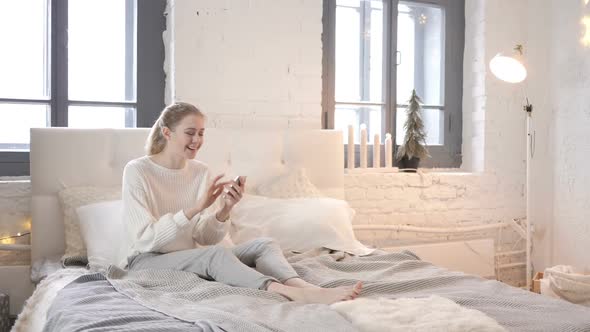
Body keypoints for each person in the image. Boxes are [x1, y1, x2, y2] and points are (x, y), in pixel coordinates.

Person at [121, 102, 362, 304]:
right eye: (190, 132)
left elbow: (204, 238)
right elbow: (145, 238)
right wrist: (196, 207)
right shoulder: (137, 171)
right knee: (214, 256)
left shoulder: (200, 172)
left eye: (202, 133)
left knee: (263, 244)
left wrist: (224, 210)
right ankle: (289, 293)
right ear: (166, 132)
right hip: (147, 261)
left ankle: (303, 286)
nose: (197, 140)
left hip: (190, 255)